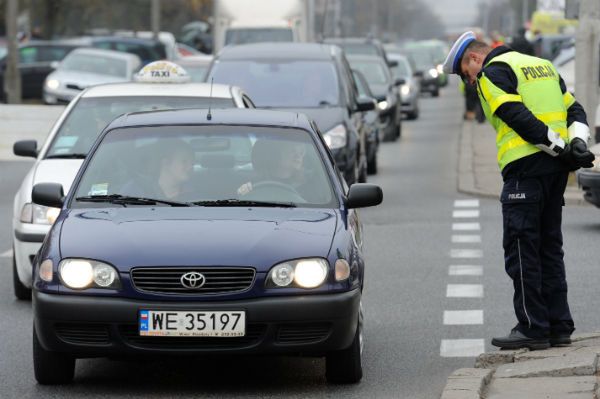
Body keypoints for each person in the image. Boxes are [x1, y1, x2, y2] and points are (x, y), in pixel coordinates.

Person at [443, 31, 595, 350]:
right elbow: (575, 110)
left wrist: (561, 149)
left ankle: (532, 327)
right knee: (549, 248)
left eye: (465, 75)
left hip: (525, 170)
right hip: (554, 172)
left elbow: (517, 118)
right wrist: (576, 143)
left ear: (473, 59)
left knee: (522, 249)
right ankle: (559, 325)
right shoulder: (541, 65)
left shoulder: (492, 73)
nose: (470, 82)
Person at [122, 139, 194, 201]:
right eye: (184, 161)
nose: (190, 167)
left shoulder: (197, 194)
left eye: (192, 162)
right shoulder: (135, 191)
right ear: (166, 163)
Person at [238, 139, 308, 199]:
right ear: (275, 155)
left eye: (301, 152)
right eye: (292, 151)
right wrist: (242, 192)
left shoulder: (308, 185)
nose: (298, 155)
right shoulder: (253, 185)